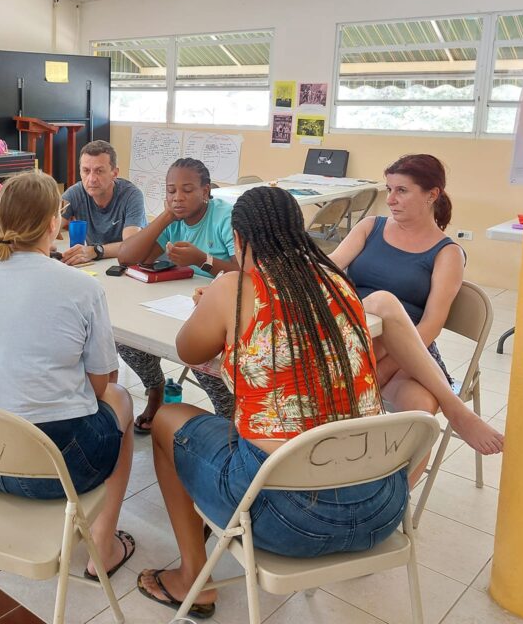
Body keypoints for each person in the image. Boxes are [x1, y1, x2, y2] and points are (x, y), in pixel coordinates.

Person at [136, 187, 401, 618]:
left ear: (238, 240)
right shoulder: (336, 281)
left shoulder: (235, 287)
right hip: (381, 508)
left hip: (290, 522)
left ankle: (192, 579)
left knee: (169, 418)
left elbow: (188, 350)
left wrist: (211, 304)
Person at [0, 170, 136, 581]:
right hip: (51, 472)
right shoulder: (80, 288)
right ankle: (101, 545)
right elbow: (101, 383)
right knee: (119, 398)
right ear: (54, 224)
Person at [329, 154, 503, 457]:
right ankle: (456, 410)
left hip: (409, 350)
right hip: (356, 340)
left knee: (422, 410)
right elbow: (327, 271)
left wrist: (384, 367)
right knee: (380, 301)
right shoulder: (370, 227)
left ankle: (398, 499)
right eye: (389, 189)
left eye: (402, 190)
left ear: (431, 195)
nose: (391, 199)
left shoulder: (447, 253)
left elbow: (431, 326)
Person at [118, 157, 239, 421]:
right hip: (175, 301)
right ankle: (155, 388)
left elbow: (244, 274)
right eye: (171, 191)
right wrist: (165, 217)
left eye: (187, 190)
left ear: (205, 191)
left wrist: (203, 260)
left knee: (199, 358)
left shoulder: (223, 216)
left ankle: (228, 417)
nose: (178, 198)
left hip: (215, 306)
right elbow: (128, 257)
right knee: (126, 340)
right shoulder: (174, 219)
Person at [59, 140, 162, 434]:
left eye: (100, 171)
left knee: (124, 335)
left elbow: (132, 246)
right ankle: (88, 398)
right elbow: (51, 223)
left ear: (115, 172)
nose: (92, 178)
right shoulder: (76, 193)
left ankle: (155, 388)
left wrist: (97, 250)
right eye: (85, 171)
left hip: (131, 273)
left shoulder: (131, 195)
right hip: (94, 273)